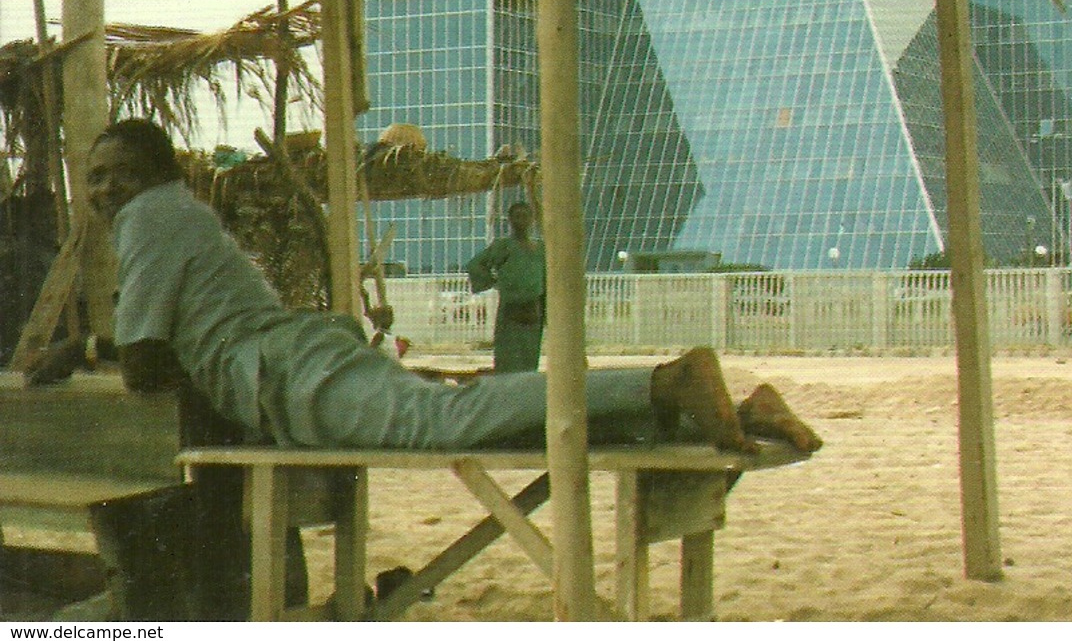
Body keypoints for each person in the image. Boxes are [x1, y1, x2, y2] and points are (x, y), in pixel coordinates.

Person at [27, 119, 820, 457]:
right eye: (93, 178)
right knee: (482, 426)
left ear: (157, 174)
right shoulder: (177, 211)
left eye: (116, 174)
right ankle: (733, 409)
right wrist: (91, 345)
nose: (102, 190)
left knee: (450, 418)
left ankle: (669, 377)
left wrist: (83, 347)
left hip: (290, 371)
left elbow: (146, 368)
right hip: (300, 361)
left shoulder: (148, 217)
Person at [465, 197, 545, 373]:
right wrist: (494, 282)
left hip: (533, 312)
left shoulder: (541, 249)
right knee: (507, 360)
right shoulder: (504, 246)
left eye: (525, 216)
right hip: (510, 312)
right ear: (510, 220)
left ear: (532, 219)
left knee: (530, 360)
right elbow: (474, 265)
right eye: (517, 216)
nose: (521, 221)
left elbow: (546, 281)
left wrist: (547, 313)